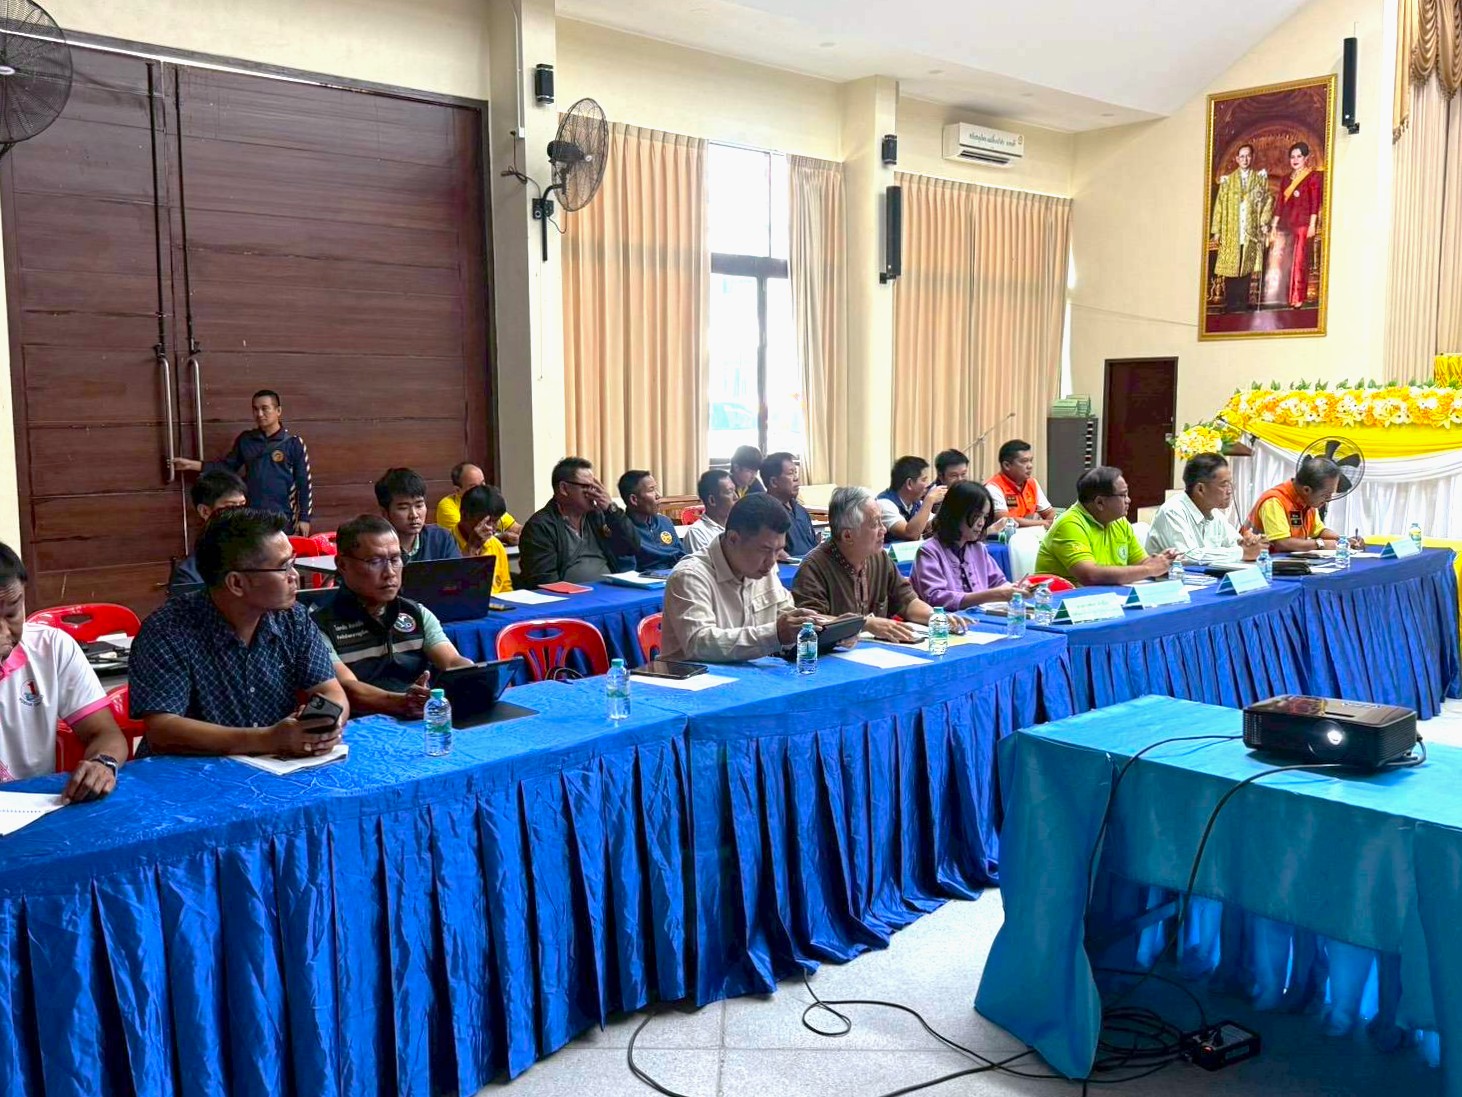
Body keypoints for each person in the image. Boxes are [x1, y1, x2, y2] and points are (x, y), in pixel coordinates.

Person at [129, 508, 349, 758]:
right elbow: (163, 730)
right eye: (284, 567)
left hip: (272, 767)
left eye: (293, 562)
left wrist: (326, 727)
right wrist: (268, 739)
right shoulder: (167, 630)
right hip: (188, 773)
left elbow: (331, 691)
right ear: (236, 583)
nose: (294, 576)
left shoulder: (293, 618)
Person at [0, 543, 127, 800]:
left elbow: (104, 733)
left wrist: (102, 763)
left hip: (29, 808)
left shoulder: (52, 648)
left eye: (12, 613)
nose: (4, 632)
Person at [313, 516, 474, 718]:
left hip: (419, 717)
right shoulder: (319, 626)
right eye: (375, 561)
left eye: (395, 559)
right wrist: (401, 702)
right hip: (360, 726)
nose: (390, 573)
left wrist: (472, 675)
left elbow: (451, 662)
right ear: (343, 565)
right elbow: (347, 688)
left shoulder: (416, 613)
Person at [660, 494, 825, 663]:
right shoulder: (690, 576)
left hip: (753, 673)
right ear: (733, 539)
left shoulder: (763, 569)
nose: (771, 561)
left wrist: (821, 626)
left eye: (778, 551)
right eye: (764, 550)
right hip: (696, 677)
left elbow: (786, 615)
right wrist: (775, 634)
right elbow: (700, 643)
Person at [793, 486, 965, 643]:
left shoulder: (879, 557)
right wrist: (865, 624)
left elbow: (906, 601)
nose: (884, 530)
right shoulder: (814, 567)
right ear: (847, 536)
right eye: (875, 524)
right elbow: (810, 622)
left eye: (882, 522)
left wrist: (934, 617)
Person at [172, 389, 313, 534]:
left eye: (265, 408)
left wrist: (305, 518)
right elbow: (227, 467)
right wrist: (193, 465)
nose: (259, 414)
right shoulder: (246, 440)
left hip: (283, 517)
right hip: (250, 515)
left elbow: (304, 483)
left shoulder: (293, 444)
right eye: (255, 409)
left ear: (278, 411)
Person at [1034, 467, 1178, 586]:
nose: (1128, 500)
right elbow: (1090, 576)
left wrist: (1163, 562)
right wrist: (1150, 569)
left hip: (1108, 599)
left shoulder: (1119, 521)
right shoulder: (1070, 524)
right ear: (1100, 503)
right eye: (1123, 495)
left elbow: (1141, 563)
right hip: (1061, 603)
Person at [518, 457, 638, 588]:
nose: (593, 492)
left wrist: (611, 509)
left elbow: (632, 547)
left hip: (611, 590)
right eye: (586, 487)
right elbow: (544, 581)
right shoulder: (540, 526)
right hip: (570, 597)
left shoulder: (598, 516)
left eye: (595, 487)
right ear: (564, 489)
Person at [910, 482, 1028, 609]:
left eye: (985, 517)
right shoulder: (929, 551)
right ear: (956, 514)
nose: (981, 523)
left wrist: (1015, 589)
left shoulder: (978, 549)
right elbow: (935, 598)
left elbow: (998, 583)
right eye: (976, 516)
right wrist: (993, 595)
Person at [1146, 453, 1265, 563]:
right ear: (1200, 489)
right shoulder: (1172, 511)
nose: (1230, 491)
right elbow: (1187, 557)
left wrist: (1248, 542)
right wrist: (1243, 552)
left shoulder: (1215, 513)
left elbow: (1237, 543)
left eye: (1230, 483)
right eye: (1224, 484)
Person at [1248, 455, 1364, 554]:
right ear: (1306, 490)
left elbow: (1319, 531)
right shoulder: (1274, 501)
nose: (1329, 499)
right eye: (1326, 495)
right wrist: (1321, 544)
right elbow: (1282, 543)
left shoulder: (1308, 501)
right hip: (1262, 565)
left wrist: (1344, 541)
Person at [1209, 143, 1273, 311]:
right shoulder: (1228, 181)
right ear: (1237, 159)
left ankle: (1243, 303)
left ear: (1252, 157)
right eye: (1242, 156)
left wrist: (1264, 222)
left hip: (1250, 229)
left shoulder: (1259, 179)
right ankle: (1231, 303)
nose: (1245, 159)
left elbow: (1267, 201)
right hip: (1232, 229)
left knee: (1246, 265)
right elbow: (1219, 206)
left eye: (1248, 156)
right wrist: (1217, 231)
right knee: (1232, 265)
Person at [169, 469, 248, 594]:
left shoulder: (262, 553)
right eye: (230, 507)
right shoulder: (189, 575)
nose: (239, 514)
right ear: (205, 511)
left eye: (242, 506)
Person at [1269, 141, 1323, 310]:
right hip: (1286, 224)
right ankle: (1286, 297)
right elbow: (1279, 204)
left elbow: (1315, 203)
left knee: (1299, 261)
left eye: (1299, 156)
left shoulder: (1313, 177)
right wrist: (1273, 226)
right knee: (1285, 261)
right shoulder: (1286, 179)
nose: (1295, 160)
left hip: (1303, 225)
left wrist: (1313, 225)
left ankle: (1298, 297)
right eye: (1292, 157)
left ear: (1306, 158)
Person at [375, 467, 460, 563]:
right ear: (385, 513)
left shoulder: (441, 539)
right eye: (403, 508)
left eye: (419, 505)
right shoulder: (376, 547)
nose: (414, 515)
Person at [437, 462, 519, 547]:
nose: (481, 490)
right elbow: (468, 536)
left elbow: (516, 528)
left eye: (483, 484)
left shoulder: (488, 502)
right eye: (474, 487)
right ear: (458, 490)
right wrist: (501, 537)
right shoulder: (447, 506)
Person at [617, 469, 685, 572]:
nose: (658, 495)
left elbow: (681, 555)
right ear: (634, 500)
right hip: (648, 579)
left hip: (678, 574)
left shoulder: (664, 521)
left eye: (656, 489)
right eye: (651, 490)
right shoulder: (623, 530)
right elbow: (629, 572)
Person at [985, 440, 1056, 532]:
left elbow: (1049, 513)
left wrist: (1051, 521)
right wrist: (1043, 523)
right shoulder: (993, 487)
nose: (1030, 466)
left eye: (1031, 460)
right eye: (1024, 461)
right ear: (1007, 465)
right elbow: (1004, 520)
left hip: (1032, 535)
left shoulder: (1032, 483)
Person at [454, 484, 513, 594]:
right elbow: (453, 588)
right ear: (464, 515)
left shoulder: (496, 545)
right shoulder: (446, 544)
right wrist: (472, 546)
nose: (491, 528)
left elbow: (506, 588)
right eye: (485, 521)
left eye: (495, 521)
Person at [761, 451, 818, 558]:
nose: (796, 478)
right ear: (774, 482)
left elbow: (813, 544)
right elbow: (775, 553)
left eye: (796, 472)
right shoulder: (765, 513)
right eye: (790, 473)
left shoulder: (801, 510)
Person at [877, 455, 945, 541]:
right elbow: (910, 534)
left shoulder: (916, 503)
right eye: (924, 480)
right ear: (909, 483)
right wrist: (929, 500)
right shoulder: (884, 504)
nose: (927, 485)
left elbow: (931, 525)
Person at [682, 469, 738, 556]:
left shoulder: (738, 526)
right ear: (712, 500)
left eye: (735, 490)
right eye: (729, 492)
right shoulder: (698, 533)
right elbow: (704, 564)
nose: (736, 497)